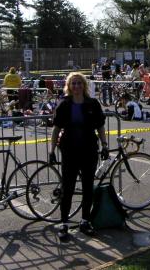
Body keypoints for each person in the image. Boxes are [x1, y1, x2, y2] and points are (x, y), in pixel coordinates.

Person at [49, 72, 108, 242]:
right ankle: (64, 224)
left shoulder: (93, 103)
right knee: (68, 188)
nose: (76, 86)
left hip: (89, 150)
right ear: (69, 86)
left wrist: (104, 145)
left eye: (79, 83)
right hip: (69, 151)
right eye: (73, 83)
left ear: (84, 85)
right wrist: (52, 150)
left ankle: (85, 221)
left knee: (88, 187)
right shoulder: (64, 104)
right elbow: (56, 129)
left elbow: (100, 126)